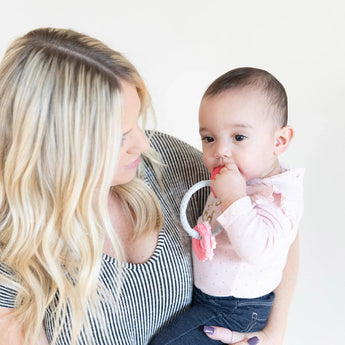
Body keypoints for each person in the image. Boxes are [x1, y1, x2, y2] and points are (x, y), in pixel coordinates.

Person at [0, 28, 298, 345]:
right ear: (58, 146)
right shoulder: (14, 246)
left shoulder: (168, 163)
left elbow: (277, 224)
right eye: (120, 136)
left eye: (138, 123)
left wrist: (272, 333)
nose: (142, 144)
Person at [149, 67, 304, 345]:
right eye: (209, 138)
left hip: (238, 309)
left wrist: (234, 198)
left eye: (239, 137)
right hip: (212, 300)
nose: (220, 150)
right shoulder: (240, 176)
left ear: (279, 141)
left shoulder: (276, 195)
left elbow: (260, 251)